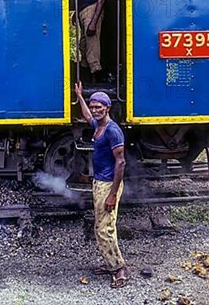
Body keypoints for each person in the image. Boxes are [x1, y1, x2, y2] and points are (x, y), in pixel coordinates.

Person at [74, 82, 129, 288]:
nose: (95, 110)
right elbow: (88, 116)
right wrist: (80, 97)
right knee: (101, 226)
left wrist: (113, 194)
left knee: (104, 228)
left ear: (108, 108)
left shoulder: (113, 131)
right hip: (100, 182)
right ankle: (110, 263)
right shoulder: (99, 125)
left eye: (99, 107)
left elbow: (121, 162)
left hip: (108, 185)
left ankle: (119, 268)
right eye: (93, 106)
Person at [69, 0, 104, 82]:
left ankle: (95, 74)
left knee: (92, 44)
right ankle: (86, 73)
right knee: (83, 43)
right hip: (83, 11)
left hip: (92, 9)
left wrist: (93, 21)